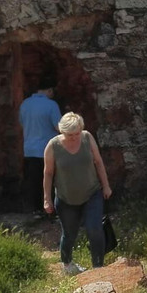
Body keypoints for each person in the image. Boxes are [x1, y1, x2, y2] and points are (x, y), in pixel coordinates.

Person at [43, 112, 113, 274]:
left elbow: (98, 162)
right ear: (62, 132)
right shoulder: (53, 146)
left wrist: (106, 185)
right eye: (70, 135)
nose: (74, 138)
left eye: (77, 134)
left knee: (94, 228)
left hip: (91, 193)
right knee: (69, 233)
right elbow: (48, 173)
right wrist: (47, 199)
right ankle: (67, 265)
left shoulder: (87, 138)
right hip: (66, 198)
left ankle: (98, 267)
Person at [19, 80, 61, 214]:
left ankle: (34, 210)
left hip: (29, 149)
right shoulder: (51, 105)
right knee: (49, 181)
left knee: (33, 181)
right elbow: (59, 127)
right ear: (49, 90)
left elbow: (22, 124)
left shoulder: (24, 104)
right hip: (47, 149)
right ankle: (50, 210)